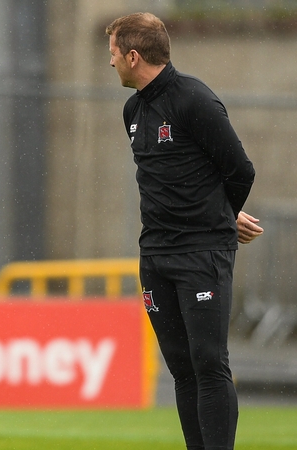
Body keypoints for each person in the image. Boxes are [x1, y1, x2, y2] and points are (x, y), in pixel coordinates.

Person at [106, 12, 263, 450]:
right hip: (155, 257)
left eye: (113, 53)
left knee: (208, 363)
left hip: (201, 254)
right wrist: (221, 210)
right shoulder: (132, 109)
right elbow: (172, 178)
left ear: (133, 56)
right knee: (181, 368)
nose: (110, 62)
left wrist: (220, 216)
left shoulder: (194, 99)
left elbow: (240, 170)